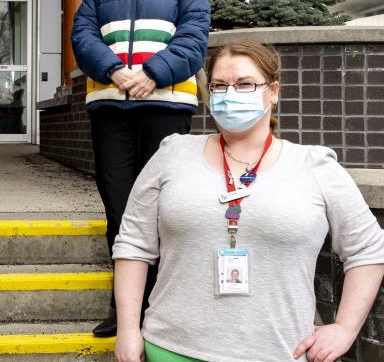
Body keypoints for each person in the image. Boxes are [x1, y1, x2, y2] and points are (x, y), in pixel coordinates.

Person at [113, 40, 384, 362]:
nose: (230, 94)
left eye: (245, 84)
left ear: (273, 91)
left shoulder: (315, 166)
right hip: (172, 347)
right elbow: (133, 245)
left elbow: (368, 249)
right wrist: (128, 329)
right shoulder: (172, 153)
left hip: (279, 351)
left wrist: (345, 328)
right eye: (219, 86)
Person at [71, 0, 210, 337]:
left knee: (166, 208)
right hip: (112, 107)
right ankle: (126, 308)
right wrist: (116, 72)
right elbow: (83, 35)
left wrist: (151, 74)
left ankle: (162, 310)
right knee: (120, 207)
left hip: (166, 108)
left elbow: (194, 35)